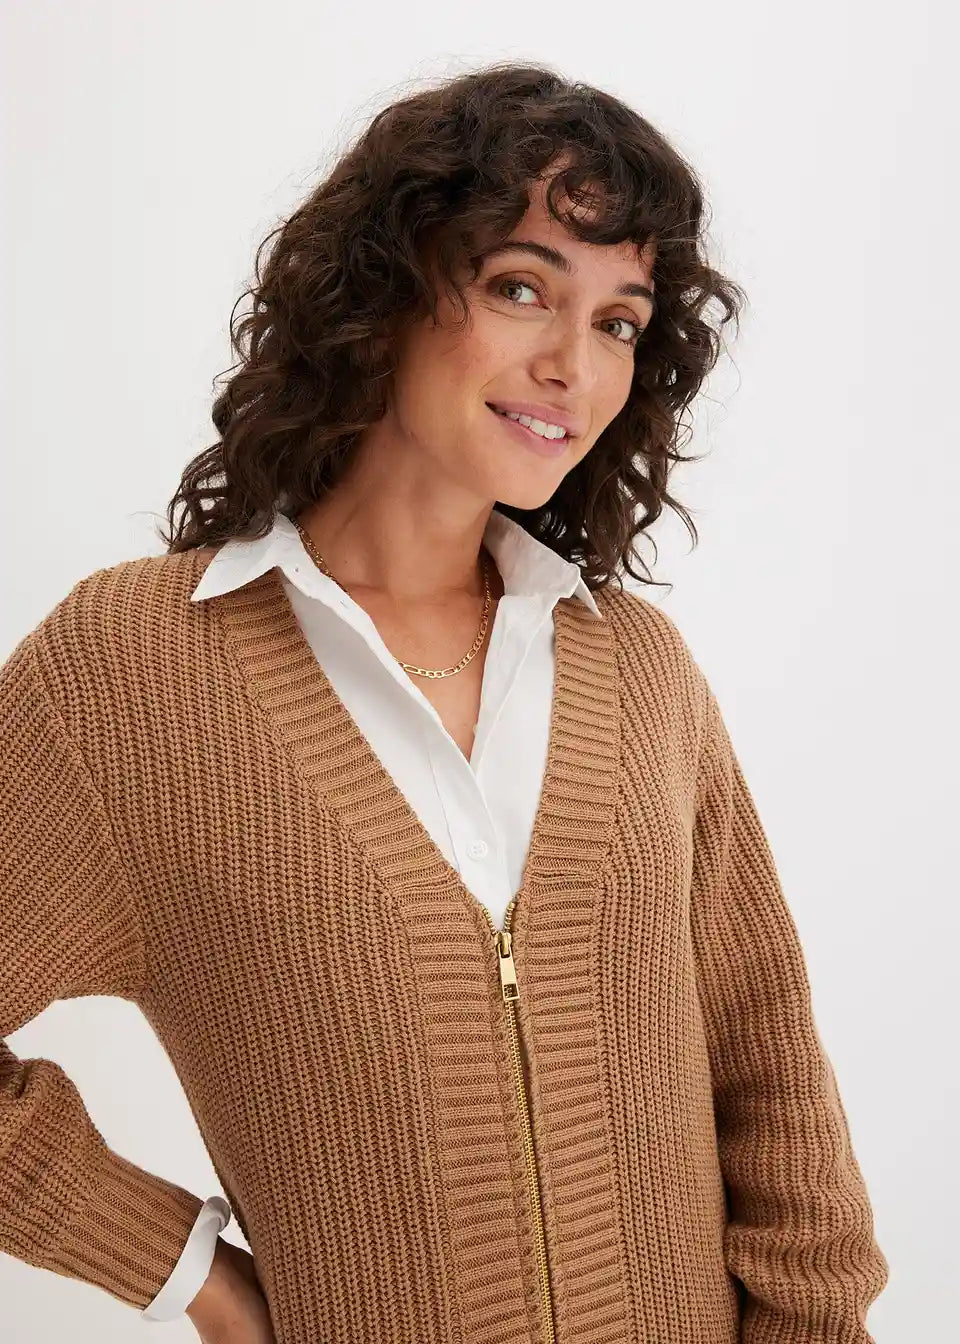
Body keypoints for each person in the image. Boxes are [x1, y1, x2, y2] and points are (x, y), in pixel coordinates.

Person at [0, 61, 888, 1344]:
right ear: (384, 292)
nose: (572, 366)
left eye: (619, 321)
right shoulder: (131, 678)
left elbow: (773, 1079)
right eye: (522, 287)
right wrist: (185, 1270)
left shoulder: (638, 671)